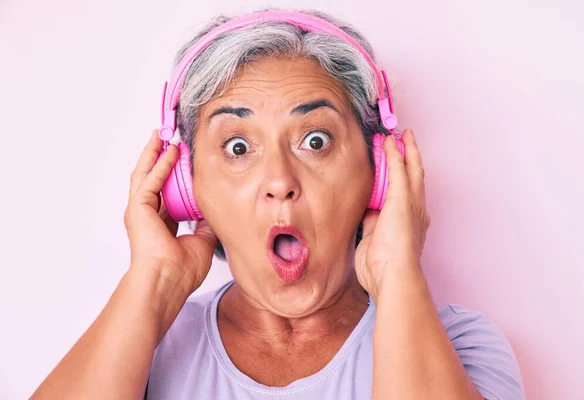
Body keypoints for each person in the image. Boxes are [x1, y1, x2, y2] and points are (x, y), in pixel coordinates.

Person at [32, 9, 525, 400]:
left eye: (315, 140)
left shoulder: (462, 347)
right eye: (238, 147)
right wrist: (154, 281)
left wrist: (397, 270)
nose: (279, 182)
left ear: (378, 173)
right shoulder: (142, 343)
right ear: (188, 186)